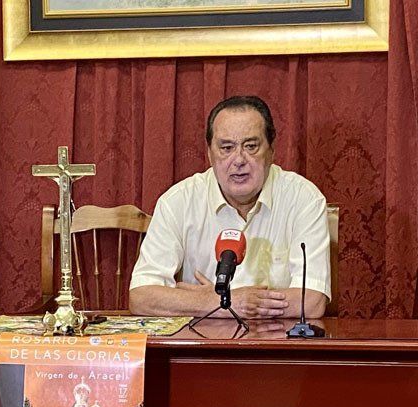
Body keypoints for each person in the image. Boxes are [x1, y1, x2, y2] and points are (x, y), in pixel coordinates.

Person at [129, 96, 330, 318]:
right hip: (201, 347)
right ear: (209, 153)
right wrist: (219, 301)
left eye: (251, 146)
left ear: (271, 150)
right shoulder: (178, 201)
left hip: (276, 346)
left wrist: (214, 302)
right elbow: (141, 297)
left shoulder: (303, 199)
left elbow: (311, 301)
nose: (238, 160)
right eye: (226, 147)